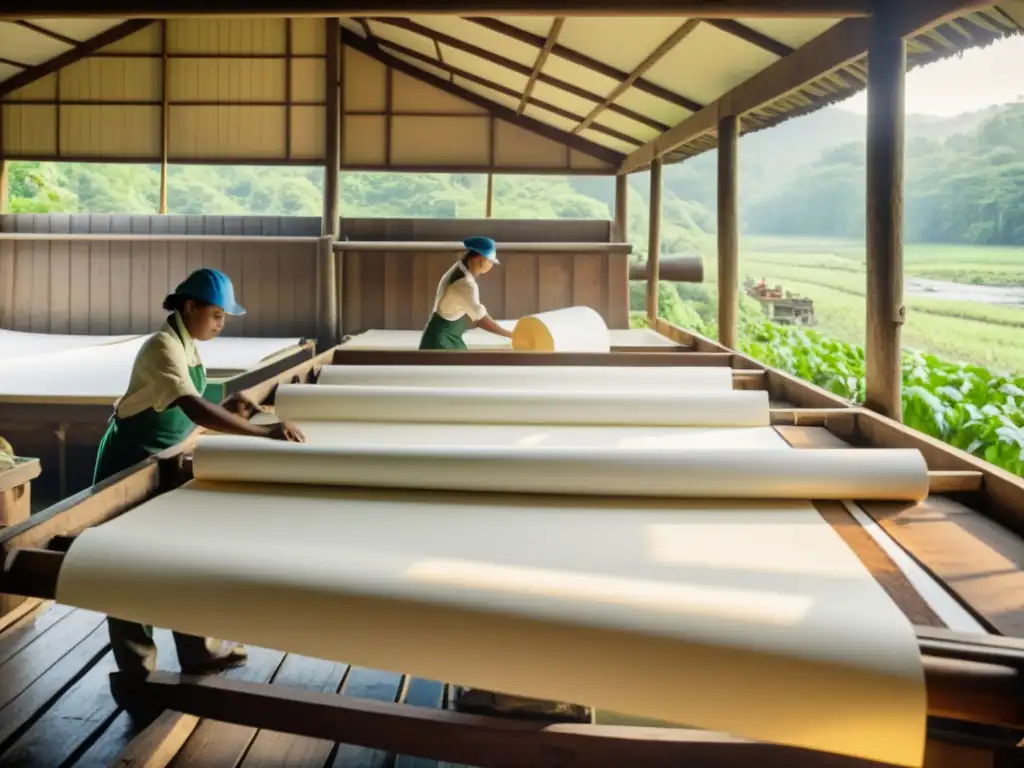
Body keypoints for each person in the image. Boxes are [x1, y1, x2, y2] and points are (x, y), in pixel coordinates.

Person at [93, 267, 305, 677]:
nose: (221, 324)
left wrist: (230, 409)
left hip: (163, 458)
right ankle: (138, 670)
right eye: (217, 315)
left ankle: (199, 651)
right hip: (129, 463)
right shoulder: (162, 347)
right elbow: (191, 405)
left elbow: (183, 413)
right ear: (190, 307)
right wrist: (262, 431)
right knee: (126, 565)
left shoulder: (186, 344)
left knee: (178, 556)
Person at [419, 236, 514, 350]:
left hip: (443, 335)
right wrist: (512, 335)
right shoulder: (465, 285)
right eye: (491, 261)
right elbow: (481, 320)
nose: (491, 265)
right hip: (442, 342)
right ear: (481, 259)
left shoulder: (459, 268)